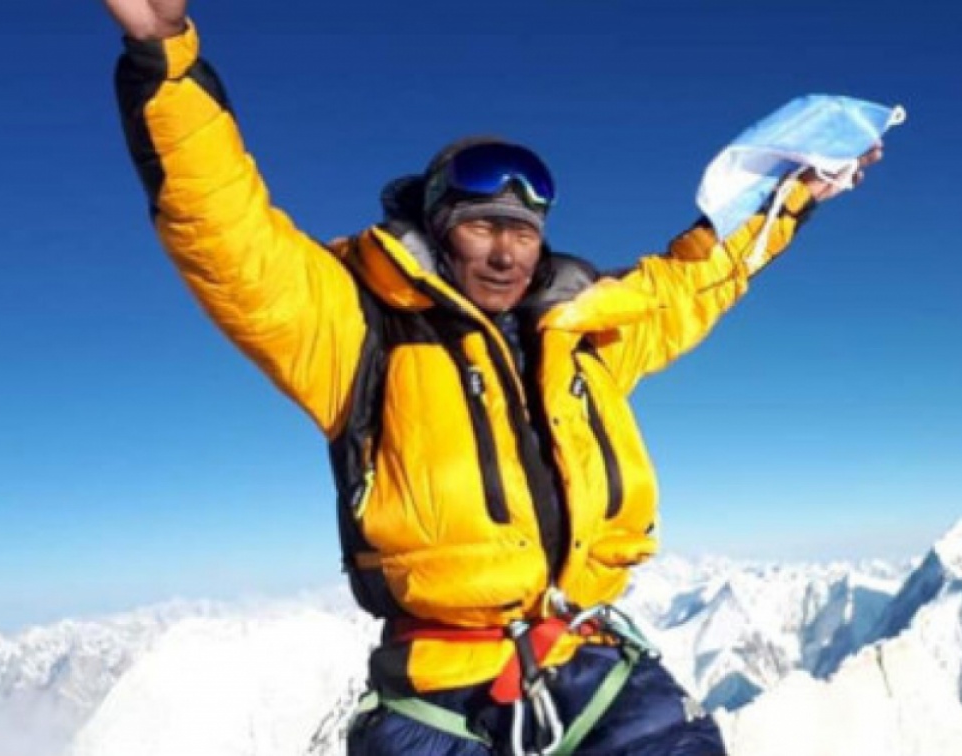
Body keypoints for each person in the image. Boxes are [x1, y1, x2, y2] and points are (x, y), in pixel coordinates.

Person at [101, 1, 883, 753]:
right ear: (441, 230)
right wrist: (165, 59)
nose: (507, 253)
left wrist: (791, 197)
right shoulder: (356, 330)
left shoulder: (585, 337)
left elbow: (694, 282)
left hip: (589, 661)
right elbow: (226, 233)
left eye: (524, 233)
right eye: (482, 227)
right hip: (444, 698)